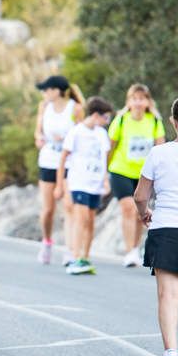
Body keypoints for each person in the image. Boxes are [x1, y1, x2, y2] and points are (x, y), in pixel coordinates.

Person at [134, 95, 178, 356]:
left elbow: (141, 195)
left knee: (169, 295)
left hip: (167, 227)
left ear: (172, 121)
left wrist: (144, 213)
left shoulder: (159, 153)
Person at [108, 83, 166, 267]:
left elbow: (160, 149)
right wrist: (104, 171)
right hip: (120, 170)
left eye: (142, 98)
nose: (138, 102)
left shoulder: (155, 121)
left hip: (144, 175)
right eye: (134, 99)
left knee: (140, 212)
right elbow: (110, 147)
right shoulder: (121, 120)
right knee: (128, 208)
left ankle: (135, 248)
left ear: (148, 102)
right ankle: (129, 251)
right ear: (129, 102)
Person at [55, 96, 115, 275]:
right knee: (80, 219)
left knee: (90, 220)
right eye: (105, 117)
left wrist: (105, 180)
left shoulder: (101, 134)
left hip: (95, 183)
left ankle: (85, 257)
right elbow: (63, 158)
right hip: (78, 182)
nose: (107, 122)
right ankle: (74, 255)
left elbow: (104, 159)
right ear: (96, 115)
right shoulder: (76, 132)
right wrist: (60, 185)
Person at [34, 75, 85, 265]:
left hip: (69, 163)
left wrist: (66, 141)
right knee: (48, 209)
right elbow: (37, 132)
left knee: (69, 207)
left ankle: (70, 250)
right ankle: (46, 242)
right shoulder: (44, 107)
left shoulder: (76, 108)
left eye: (47, 89)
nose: (44, 93)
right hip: (48, 161)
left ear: (57, 90)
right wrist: (40, 139)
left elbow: (82, 134)